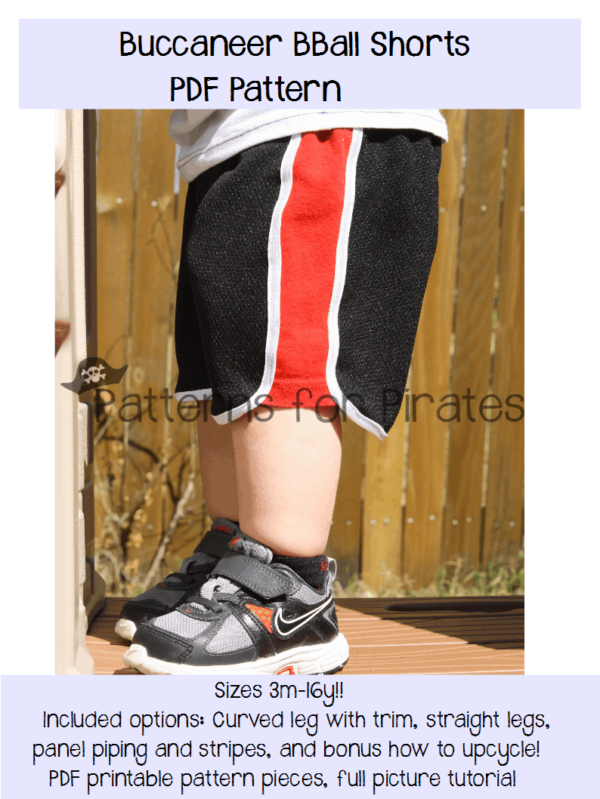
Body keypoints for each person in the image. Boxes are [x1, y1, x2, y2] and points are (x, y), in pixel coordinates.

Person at [119, 109, 448, 674]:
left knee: (287, 360)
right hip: (230, 139)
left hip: (317, 117)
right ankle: (234, 561)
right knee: (227, 367)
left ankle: (287, 587)